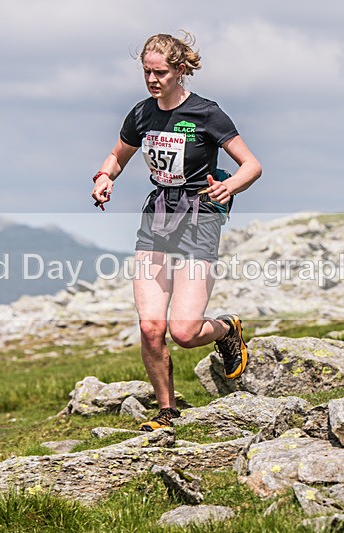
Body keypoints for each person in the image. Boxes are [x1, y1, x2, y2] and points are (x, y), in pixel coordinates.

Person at [91, 33, 262, 431]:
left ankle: (226, 328)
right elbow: (118, 155)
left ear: (180, 70)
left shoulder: (207, 113)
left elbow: (251, 165)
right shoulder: (141, 114)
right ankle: (167, 413)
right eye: (147, 72)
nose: (153, 80)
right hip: (158, 217)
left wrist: (231, 185)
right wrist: (104, 176)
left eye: (160, 72)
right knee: (151, 326)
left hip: (200, 217)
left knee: (183, 331)